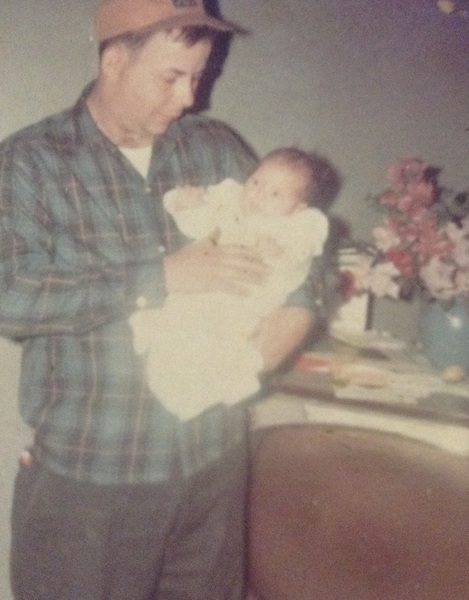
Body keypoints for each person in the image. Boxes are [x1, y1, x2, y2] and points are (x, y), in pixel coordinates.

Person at [0, 1, 323, 599]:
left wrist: (286, 327)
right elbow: (10, 297)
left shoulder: (216, 147)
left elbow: (298, 256)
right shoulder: (31, 161)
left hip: (213, 463)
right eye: (171, 77)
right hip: (93, 479)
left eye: (198, 76)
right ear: (114, 61)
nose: (188, 98)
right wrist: (160, 278)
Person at [130, 147, 334, 421]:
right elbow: (196, 225)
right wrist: (187, 204)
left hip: (246, 298)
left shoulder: (300, 225)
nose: (258, 194)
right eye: (256, 182)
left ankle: (208, 388)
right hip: (200, 288)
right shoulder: (230, 201)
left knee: (222, 345)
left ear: (298, 207)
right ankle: (165, 366)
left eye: (275, 194)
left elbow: (303, 264)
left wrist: (280, 253)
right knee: (178, 325)